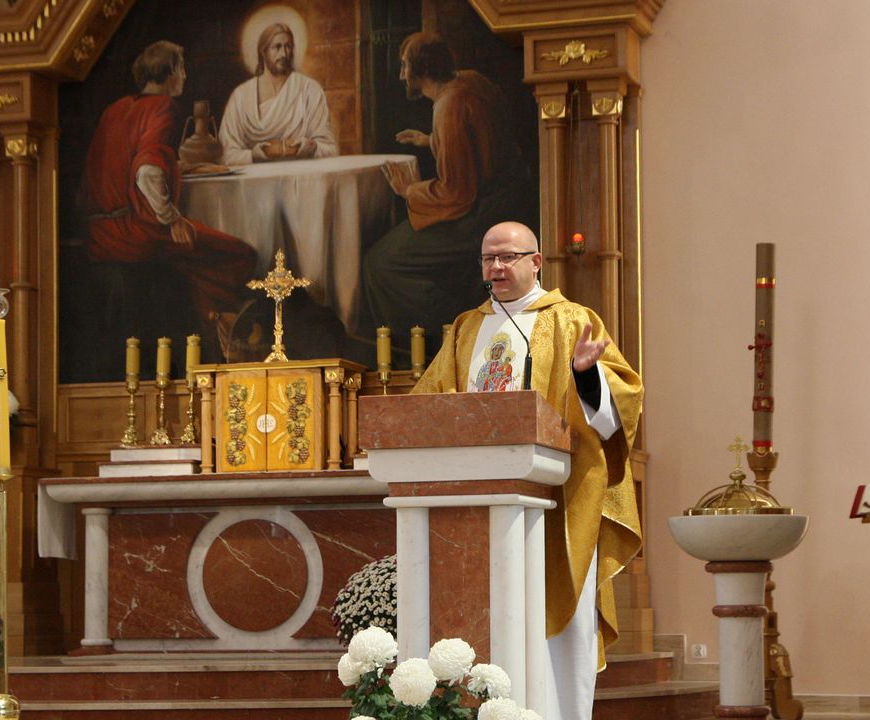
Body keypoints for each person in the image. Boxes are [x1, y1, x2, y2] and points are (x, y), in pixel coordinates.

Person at [413, 221, 643, 720]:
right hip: (474, 502)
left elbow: (619, 407)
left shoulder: (571, 320)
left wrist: (586, 376)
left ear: (535, 262)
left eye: (507, 257)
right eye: (488, 259)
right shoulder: (466, 328)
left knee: (557, 628)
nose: (495, 268)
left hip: (557, 502)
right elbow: (427, 402)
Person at [363, 32, 533, 359]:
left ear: (422, 70)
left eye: (405, 66)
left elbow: (456, 193)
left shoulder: (448, 106)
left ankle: (433, 341)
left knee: (381, 262)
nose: (401, 75)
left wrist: (409, 190)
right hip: (507, 198)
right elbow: (480, 140)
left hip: (479, 214)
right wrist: (431, 140)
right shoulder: (470, 81)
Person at [82, 40, 257, 351]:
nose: (185, 76)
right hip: (133, 236)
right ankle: (224, 335)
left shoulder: (115, 109)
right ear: (170, 72)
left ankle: (215, 328)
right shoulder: (163, 107)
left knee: (194, 259)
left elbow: (119, 167)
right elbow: (147, 172)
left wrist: (175, 168)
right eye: (182, 69)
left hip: (99, 233)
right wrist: (172, 219)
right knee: (238, 254)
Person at [219, 22, 338, 164]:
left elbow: (330, 148)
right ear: (263, 51)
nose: (284, 54)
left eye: (288, 46)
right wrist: (252, 155)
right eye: (277, 47)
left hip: (301, 174)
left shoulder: (309, 90)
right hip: (255, 176)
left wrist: (311, 147)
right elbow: (225, 154)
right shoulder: (240, 96)